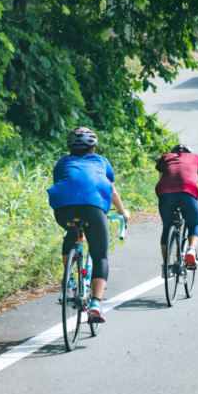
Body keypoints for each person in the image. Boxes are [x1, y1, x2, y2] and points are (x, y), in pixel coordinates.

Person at [48, 127, 130, 323]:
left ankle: (69, 280)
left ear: (70, 148)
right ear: (93, 148)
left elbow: (66, 183)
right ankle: (96, 303)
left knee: (72, 230)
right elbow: (112, 190)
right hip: (93, 209)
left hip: (63, 210)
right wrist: (122, 211)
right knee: (99, 254)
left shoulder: (62, 162)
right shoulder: (101, 161)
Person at [155, 144, 198, 270]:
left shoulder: (166, 157)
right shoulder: (195, 157)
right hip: (188, 192)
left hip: (165, 193)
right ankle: (191, 250)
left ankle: (166, 266)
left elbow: (162, 178)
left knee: (167, 227)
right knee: (194, 224)